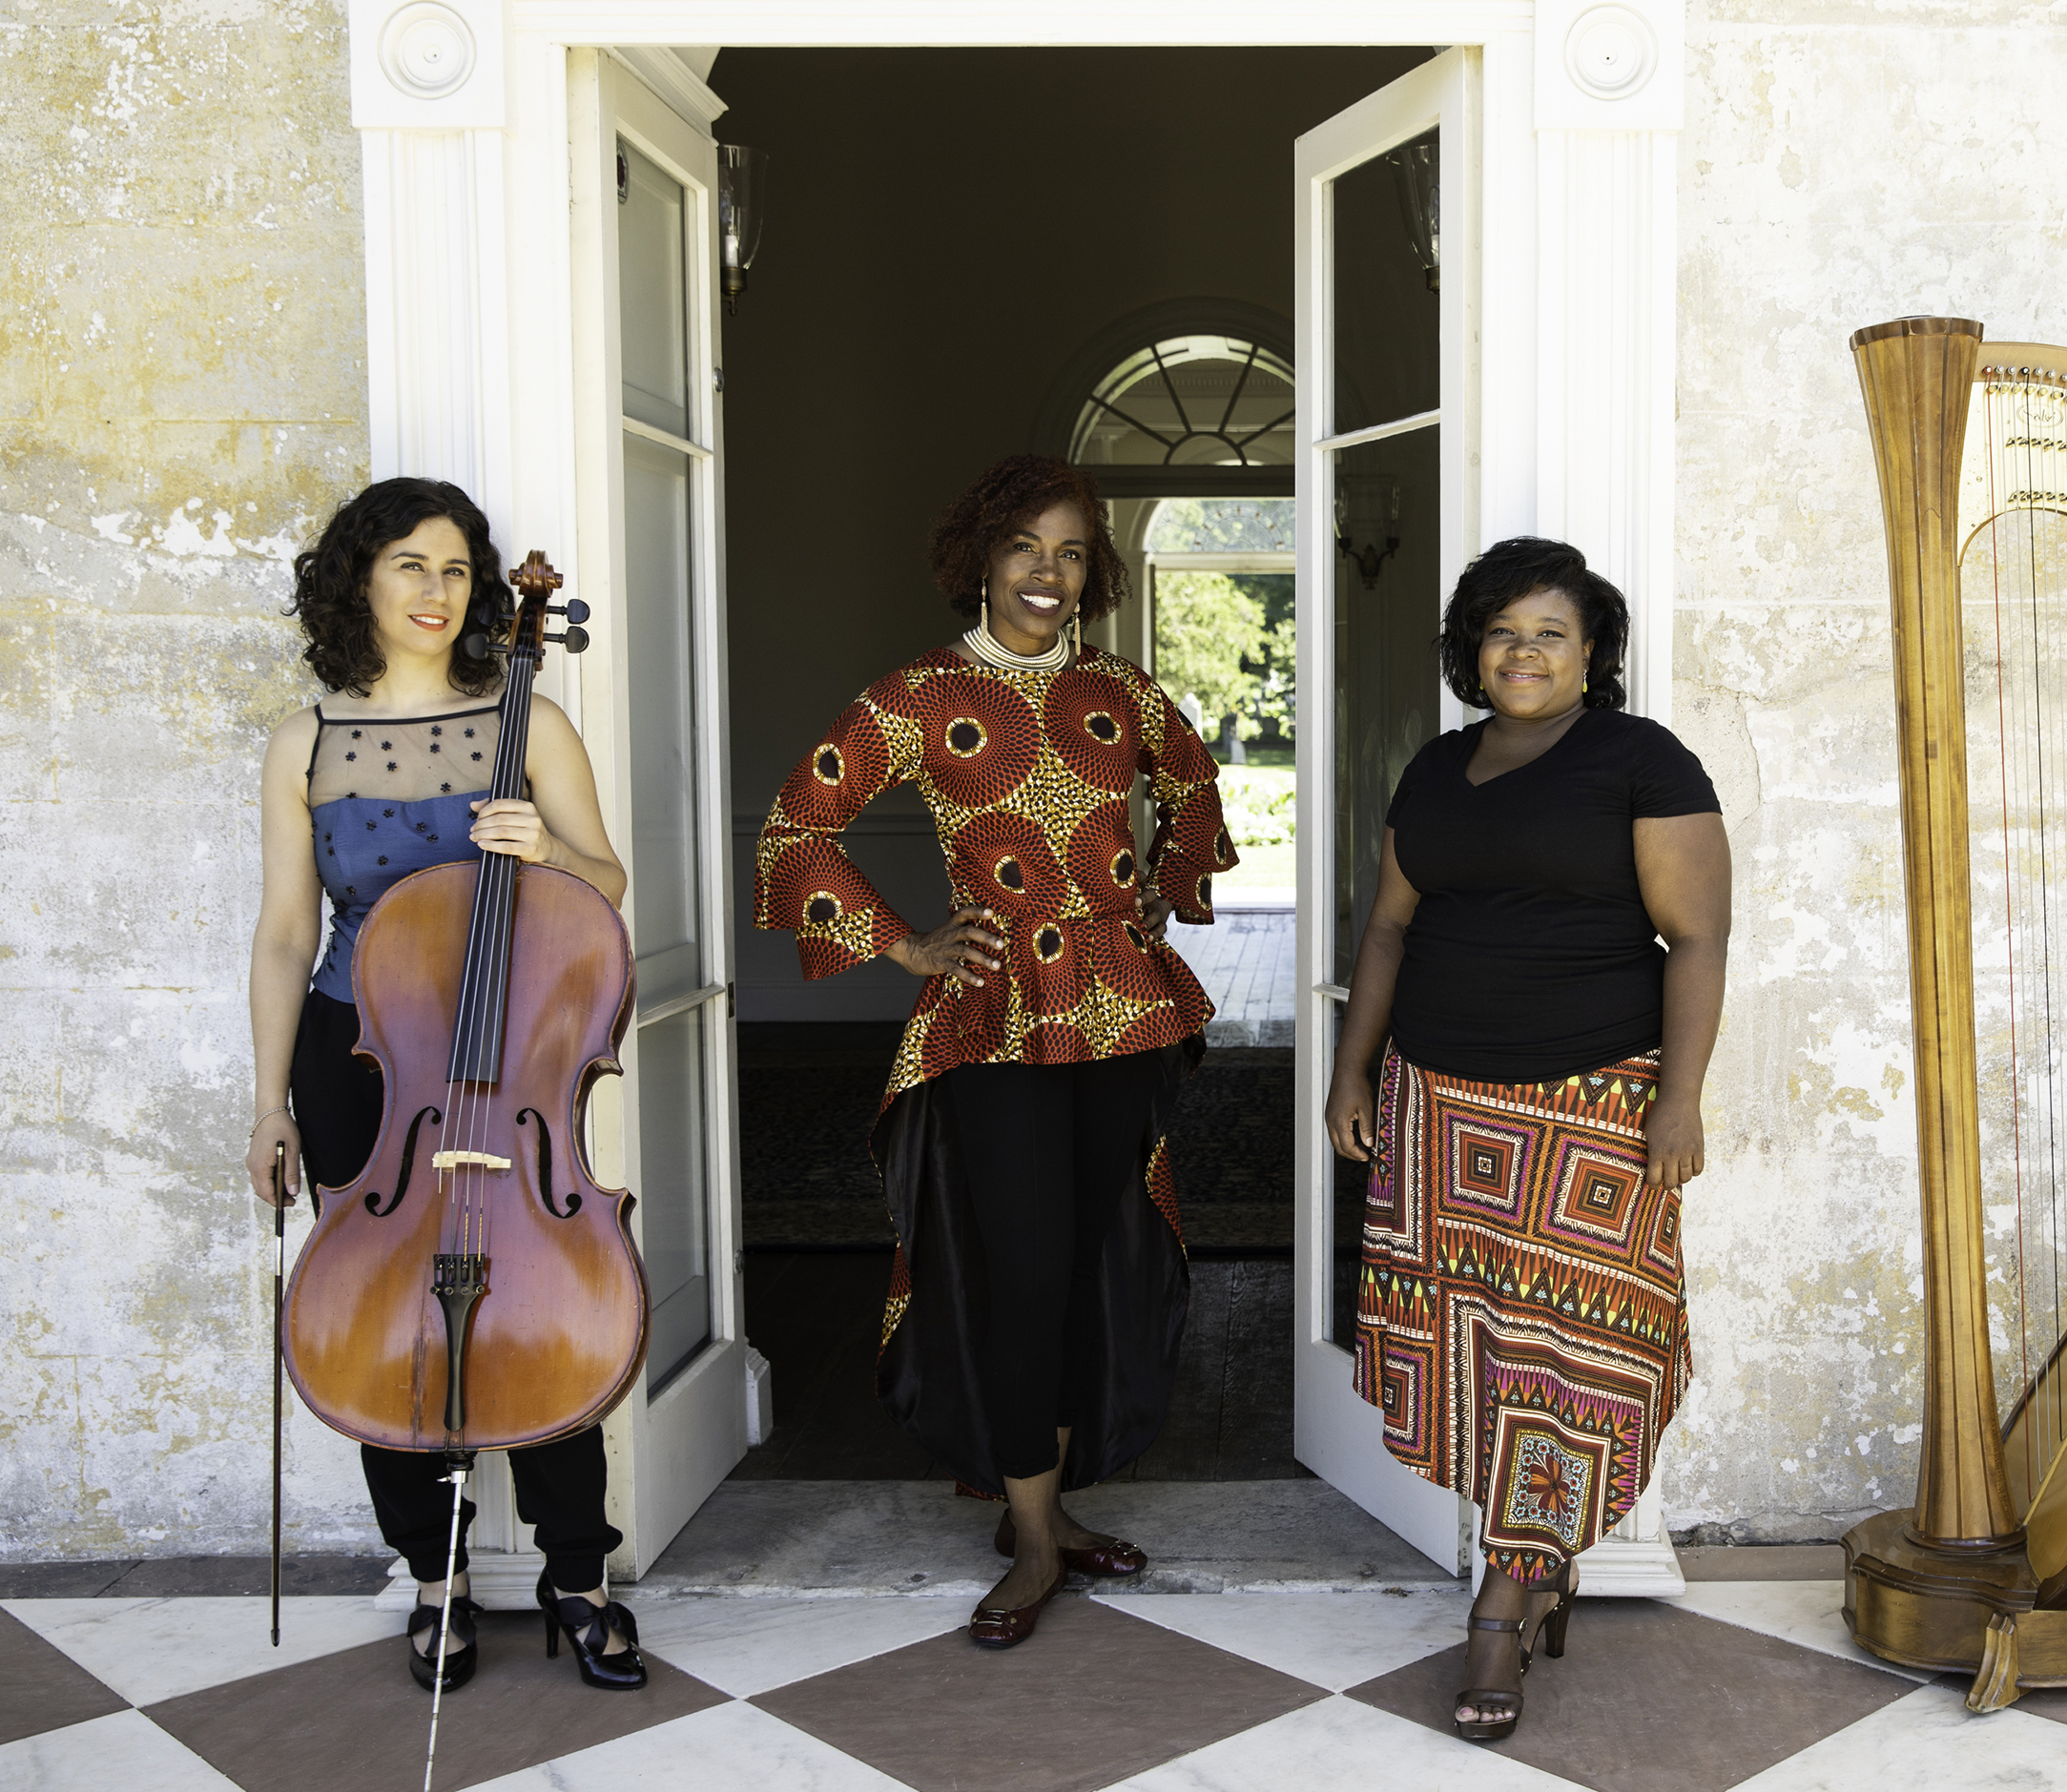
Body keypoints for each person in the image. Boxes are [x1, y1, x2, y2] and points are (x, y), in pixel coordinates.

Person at [754, 454, 1230, 1648]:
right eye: (1025, 546)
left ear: (1095, 571)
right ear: (980, 557)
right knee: (1018, 1276)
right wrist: (905, 943)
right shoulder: (911, 697)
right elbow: (795, 825)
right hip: (995, 1017)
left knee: (1091, 1265)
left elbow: (1193, 784)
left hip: (1118, 1014)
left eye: (1071, 552)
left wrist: (1161, 892)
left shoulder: (1124, 689)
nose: (1047, 572)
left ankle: (1054, 1509)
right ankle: (1029, 1537)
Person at [1328, 536, 1731, 1742]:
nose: (1525, 652)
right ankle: (1527, 1562)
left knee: (1573, 1354)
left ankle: (1506, 1599)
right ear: (1473, 646)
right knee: (1478, 1352)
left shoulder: (1640, 760)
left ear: (1592, 649)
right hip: (1441, 1106)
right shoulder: (1437, 769)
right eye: (1505, 631)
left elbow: (1697, 939)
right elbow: (1391, 928)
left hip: (1591, 1105)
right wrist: (1354, 1068)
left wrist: (1680, 1096)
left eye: (1551, 632)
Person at [244, 478, 644, 1693]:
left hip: (503, 1056)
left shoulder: (531, 723)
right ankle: (437, 1577)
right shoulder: (304, 740)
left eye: (457, 568)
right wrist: (269, 1100)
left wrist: (550, 849)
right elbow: (282, 931)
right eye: (409, 564)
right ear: (359, 579)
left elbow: (606, 885)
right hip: (357, 1058)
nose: (435, 590)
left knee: (542, 1287)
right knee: (379, 1315)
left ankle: (580, 1573)